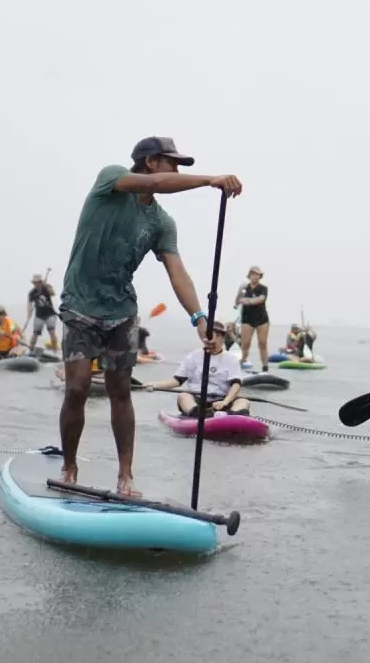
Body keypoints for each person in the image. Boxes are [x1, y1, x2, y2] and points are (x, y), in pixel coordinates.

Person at [57, 135, 242, 494]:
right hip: (80, 304)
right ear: (151, 161)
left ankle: (126, 475)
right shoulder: (111, 180)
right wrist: (209, 180)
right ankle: (69, 466)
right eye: (172, 163)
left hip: (122, 311)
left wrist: (199, 318)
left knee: (120, 391)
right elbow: (155, 184)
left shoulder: (161, 222)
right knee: (78, 387)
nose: (176, 170)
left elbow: (177, 272)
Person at [144, 320, 250, 417]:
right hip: (198, 400)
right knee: (183, 396)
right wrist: (155, 384)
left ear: (222, 338)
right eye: (209, 337)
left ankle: (232, 417)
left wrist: (225, 402)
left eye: (217, 337)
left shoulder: (231, 359)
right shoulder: (193, 356)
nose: (212, 342)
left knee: (244, 402)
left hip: (222, 400)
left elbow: (236, 385)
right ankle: (202, 415)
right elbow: (177, 380)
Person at [236, 266, 270, 371]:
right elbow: (237, 302)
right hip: (247, 319)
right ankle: (242, 362)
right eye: (253, 274)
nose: (255, 276)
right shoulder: (244, 288)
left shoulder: (263, 288)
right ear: (249, 276)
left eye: (257, 275)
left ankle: (265, 367)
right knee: (245, 344)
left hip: (261, 319)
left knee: (262, 343)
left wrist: (247, 301)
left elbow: (260, 299)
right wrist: (239, 293)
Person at [26, 274, 59, 353]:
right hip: (39, 316)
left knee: (52, 332)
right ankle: (30, 351)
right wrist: (29, 314)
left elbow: (53, 293)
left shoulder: (46, 288)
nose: (37, 284)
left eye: (39, 282)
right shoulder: (32, 293)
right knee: (35, 334)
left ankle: (55, 351)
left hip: (50, 314)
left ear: (41, 282)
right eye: (35, 283)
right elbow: (29, 304)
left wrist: (46, 285)